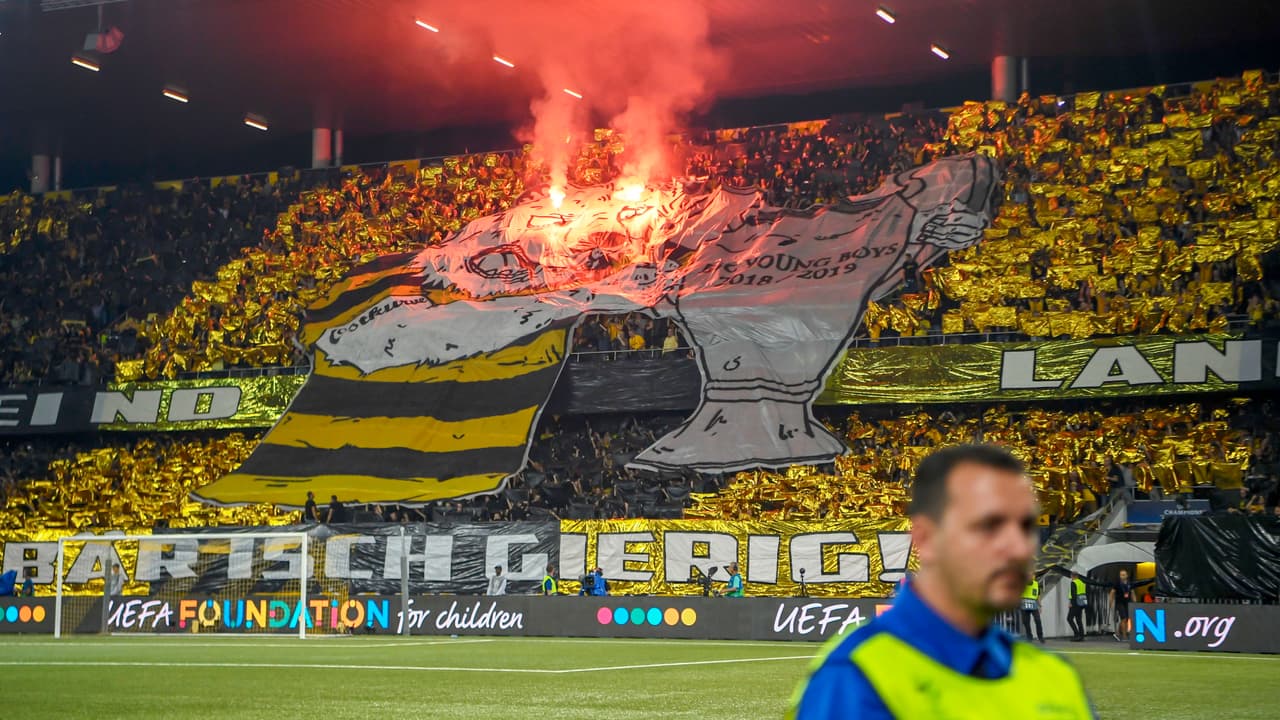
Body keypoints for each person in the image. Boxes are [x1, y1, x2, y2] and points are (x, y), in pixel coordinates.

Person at [790, 444, 1094, 719]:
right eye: (989, 524)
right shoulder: (857, 675)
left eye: (1026, 526)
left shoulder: (1056, 676)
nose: (1017, 547)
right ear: (925, 538)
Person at [1109, 569, 1133, 642]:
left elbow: (1132, 592)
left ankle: (1118, 632)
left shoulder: (1129, 583)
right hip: (1119, 603)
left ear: (1127, 575)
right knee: (1124, 618)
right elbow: (1112, 593)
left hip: (1127, 602)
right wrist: (1111, 602)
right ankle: (1124, 636)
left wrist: (1135, 602)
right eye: (1121, 575)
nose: (1122, 576)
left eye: (1123, 575)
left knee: (1126, 619)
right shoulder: (1117, 584)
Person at [1020, 576, 1045, 644]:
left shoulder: (1036, 584)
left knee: (1038, 620)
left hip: (1034, 604)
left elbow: (1038, 595)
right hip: (1024, 604)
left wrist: (1040, 606)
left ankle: (1040, 637)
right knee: (1026, 622)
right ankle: (1029, 636)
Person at [1067, 570, 1088, 641]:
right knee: (1079, 620)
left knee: (1069, 618)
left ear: (1072, 576)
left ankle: (1076, 634)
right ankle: (1081, 636)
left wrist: (1071, 603)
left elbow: (1073, 594)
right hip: (1082, 603)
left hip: (1075, 603)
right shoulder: (1082, 582)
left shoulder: (1073, 582)